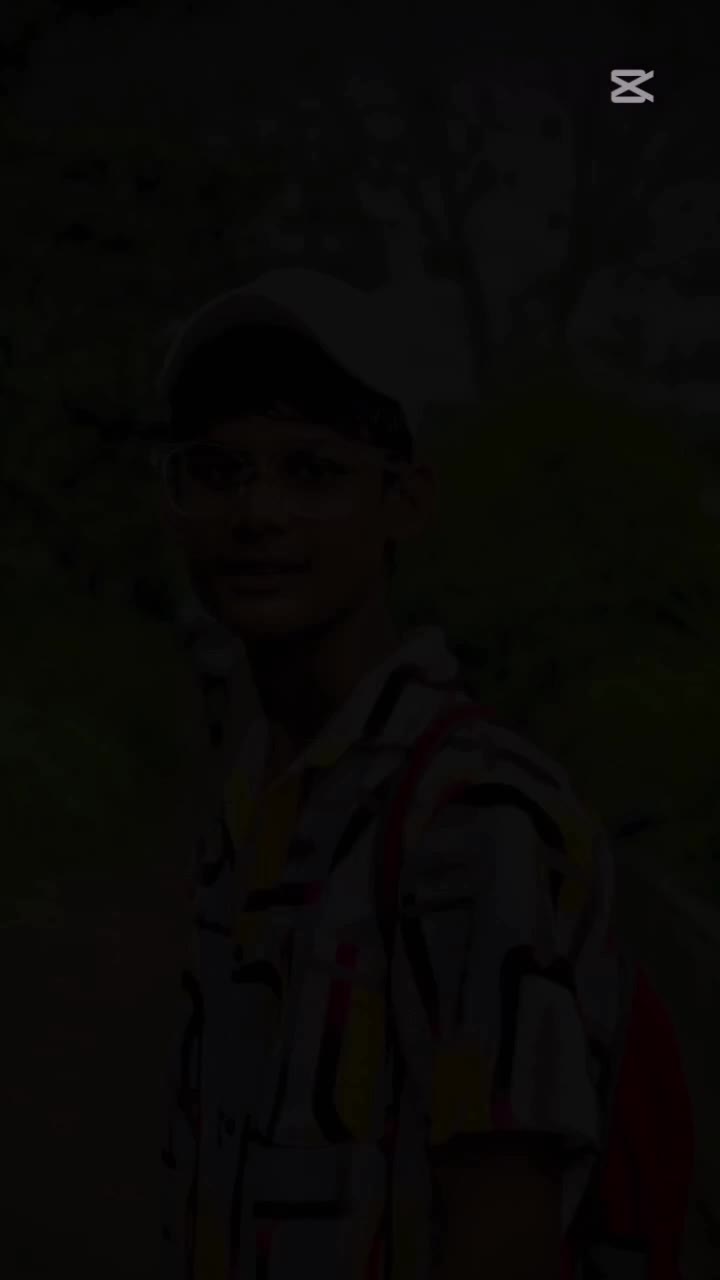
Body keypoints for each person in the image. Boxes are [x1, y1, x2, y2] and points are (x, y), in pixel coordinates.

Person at [157, 269, 619, 1280]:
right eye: (219, 471)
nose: (258, 511)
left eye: (312, 471)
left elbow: (505, 1232)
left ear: (404, 501)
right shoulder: (255, 802)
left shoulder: (473, 814)